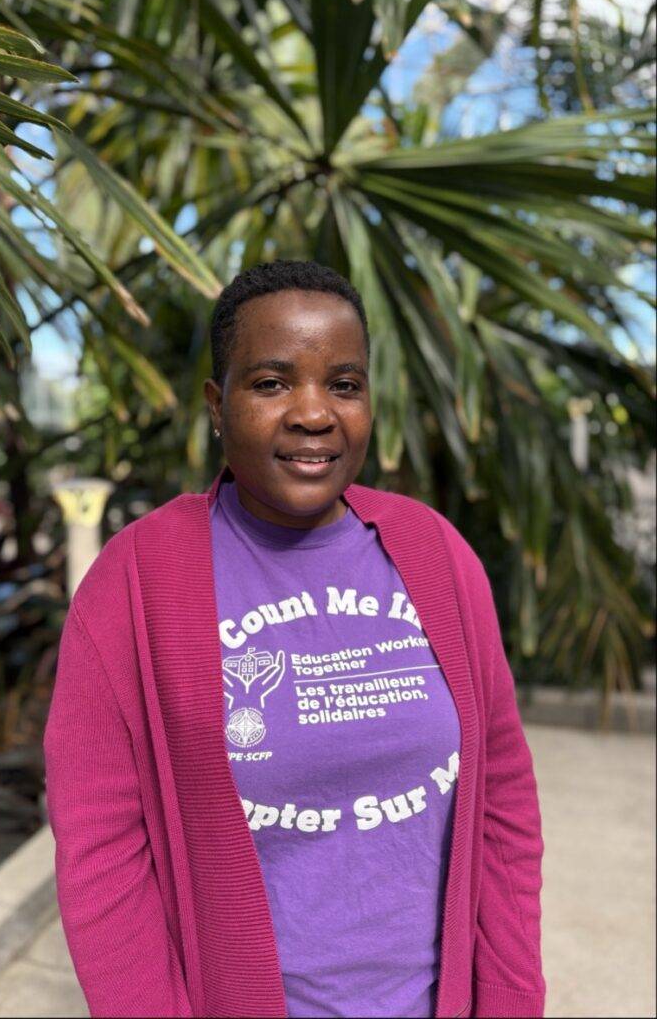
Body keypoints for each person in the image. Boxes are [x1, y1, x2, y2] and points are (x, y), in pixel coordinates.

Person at [43, 260, 545, 1019]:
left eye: (344, 384)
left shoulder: (434, 553)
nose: (314, 414)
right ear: (218, 404)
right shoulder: (136, 581)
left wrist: (510, 1000)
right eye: (272, 383)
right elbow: (102, 853)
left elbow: (503, 794)